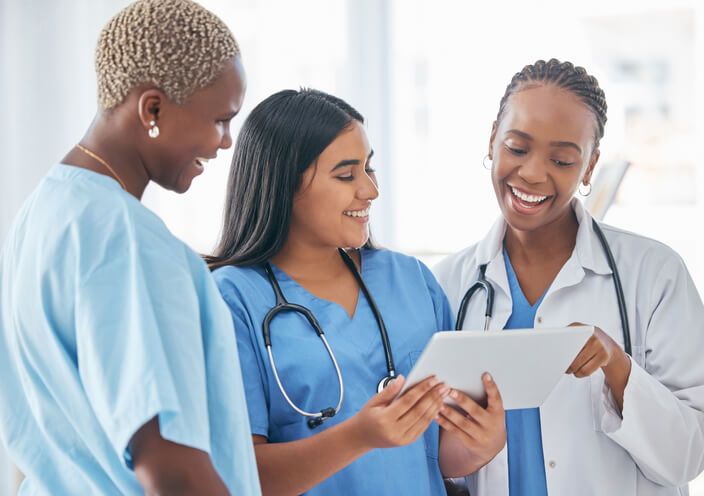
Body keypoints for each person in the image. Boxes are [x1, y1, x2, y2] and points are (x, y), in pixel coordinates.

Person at [0, 1, 260, 494]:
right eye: (221, 121)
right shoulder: (126, 239)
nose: (226, 143)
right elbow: (171, 466)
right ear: (153, 108)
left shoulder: (41, 214)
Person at [208, 88, 507, 495]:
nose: (370, 190)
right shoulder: (231, 299)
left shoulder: (411, 280)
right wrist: (357, 437)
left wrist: (480, 443)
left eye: (369, 168)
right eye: (346, 174)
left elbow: (432, 454)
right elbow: (236, 475)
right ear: (283, 184)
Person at [433, 58, 704, 496]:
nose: (533, 173)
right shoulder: (446, 285)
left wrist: (617, 367)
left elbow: (689, 455)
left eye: (561, 159)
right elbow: (432, 458)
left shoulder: (654, 275)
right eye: (517, 148)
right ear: (492, 141)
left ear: (590, 166)